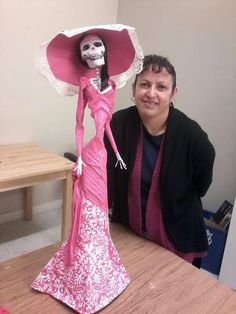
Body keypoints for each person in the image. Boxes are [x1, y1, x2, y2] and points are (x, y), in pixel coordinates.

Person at [31, 24, 143, 314]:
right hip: (89, 152)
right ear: (81, 57)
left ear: (106, 48)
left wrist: (117, 153)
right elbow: (80, 124)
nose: (93, 51)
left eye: (96, 45)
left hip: (103, 152)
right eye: (86, 48)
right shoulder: (84, 84)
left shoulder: (113, 86)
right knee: (87, 206)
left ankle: (98, 263)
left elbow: (105, 126)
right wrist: (79, 156)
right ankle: (79, 264)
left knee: (100, 206)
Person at [105, 54, 215, 268]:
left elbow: (202, 185)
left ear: (174, 94)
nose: (151, 93)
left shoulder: (192, 135)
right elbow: (108, 179)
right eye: (144, 84)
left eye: (161, 87)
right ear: (133, 90)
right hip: (129, 231)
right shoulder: (117, 125)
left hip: (176, 238)